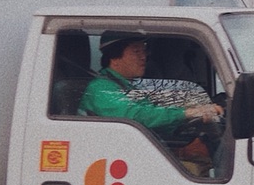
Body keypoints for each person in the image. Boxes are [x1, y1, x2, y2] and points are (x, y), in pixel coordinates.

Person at [81, 32, 224, 141]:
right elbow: (137, 117)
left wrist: (189, 119)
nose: (144, 57)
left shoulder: (131, 86)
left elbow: (155, 120)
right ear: (114, 58)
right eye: (136, 51)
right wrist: (187, 113)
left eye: (143, 51)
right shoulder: (101, 89)